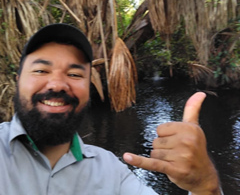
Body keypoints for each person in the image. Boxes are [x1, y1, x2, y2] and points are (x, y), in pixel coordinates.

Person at [0, 23, 223, 194]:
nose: (57, 84)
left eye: (75, 74)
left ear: (89, 87)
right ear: (18, 80)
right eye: (40, 71)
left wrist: (205, 184)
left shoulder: (111, 171)